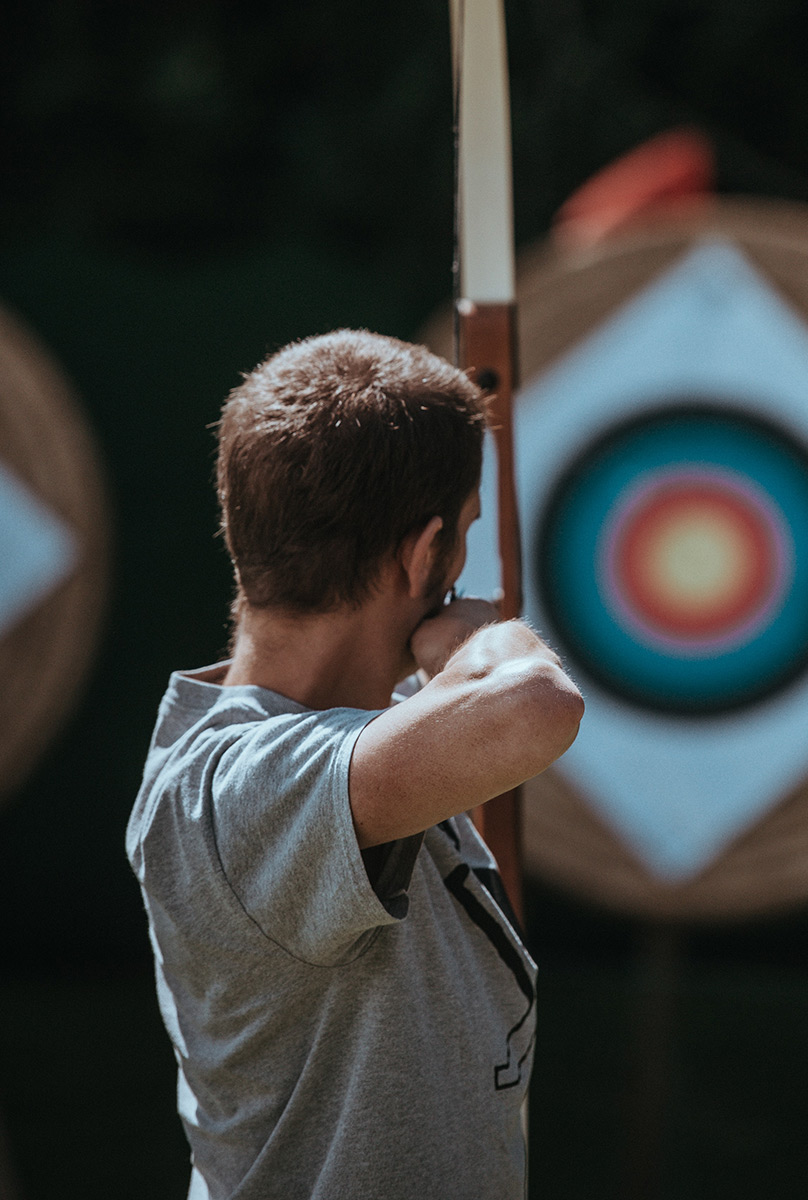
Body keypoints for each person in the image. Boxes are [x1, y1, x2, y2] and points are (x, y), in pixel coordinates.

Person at [126, 329, 584, 1200]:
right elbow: (536, 707)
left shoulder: (368, 737)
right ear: (424, 552)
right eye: (464, 540)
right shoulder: (231, 787)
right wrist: (481, 639)